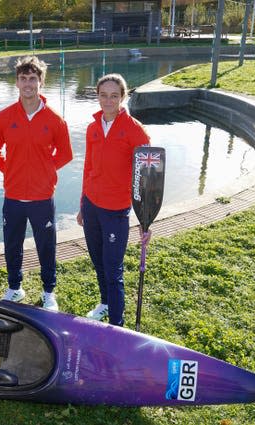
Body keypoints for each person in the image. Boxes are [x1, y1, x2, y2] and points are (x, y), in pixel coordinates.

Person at [0, 56, 73, 311]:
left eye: (32, 79)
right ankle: (15, 287)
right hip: (13, 196)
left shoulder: (55, 119)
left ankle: (48, 292)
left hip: (41, 197)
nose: (27, 84)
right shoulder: (5, 117)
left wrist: (44, 172)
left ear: (41, 82)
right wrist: (10, 170)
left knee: (46, 246)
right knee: (12, 244)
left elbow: (66, 154)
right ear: (16, 82)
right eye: (23, 79)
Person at [76, 73, 151, 325]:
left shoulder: (135, 130)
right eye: (103, 95)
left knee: (113, 269)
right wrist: (82, 205)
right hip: (91, 206)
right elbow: (88, 168)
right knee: (98, 261)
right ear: (97, 96)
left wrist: (146, 219)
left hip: (116, 210)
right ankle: (105, 303)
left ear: (123, 97)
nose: (108, 101)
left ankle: (117, 324)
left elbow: (147, 177)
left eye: (114, 96)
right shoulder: (92, 127)